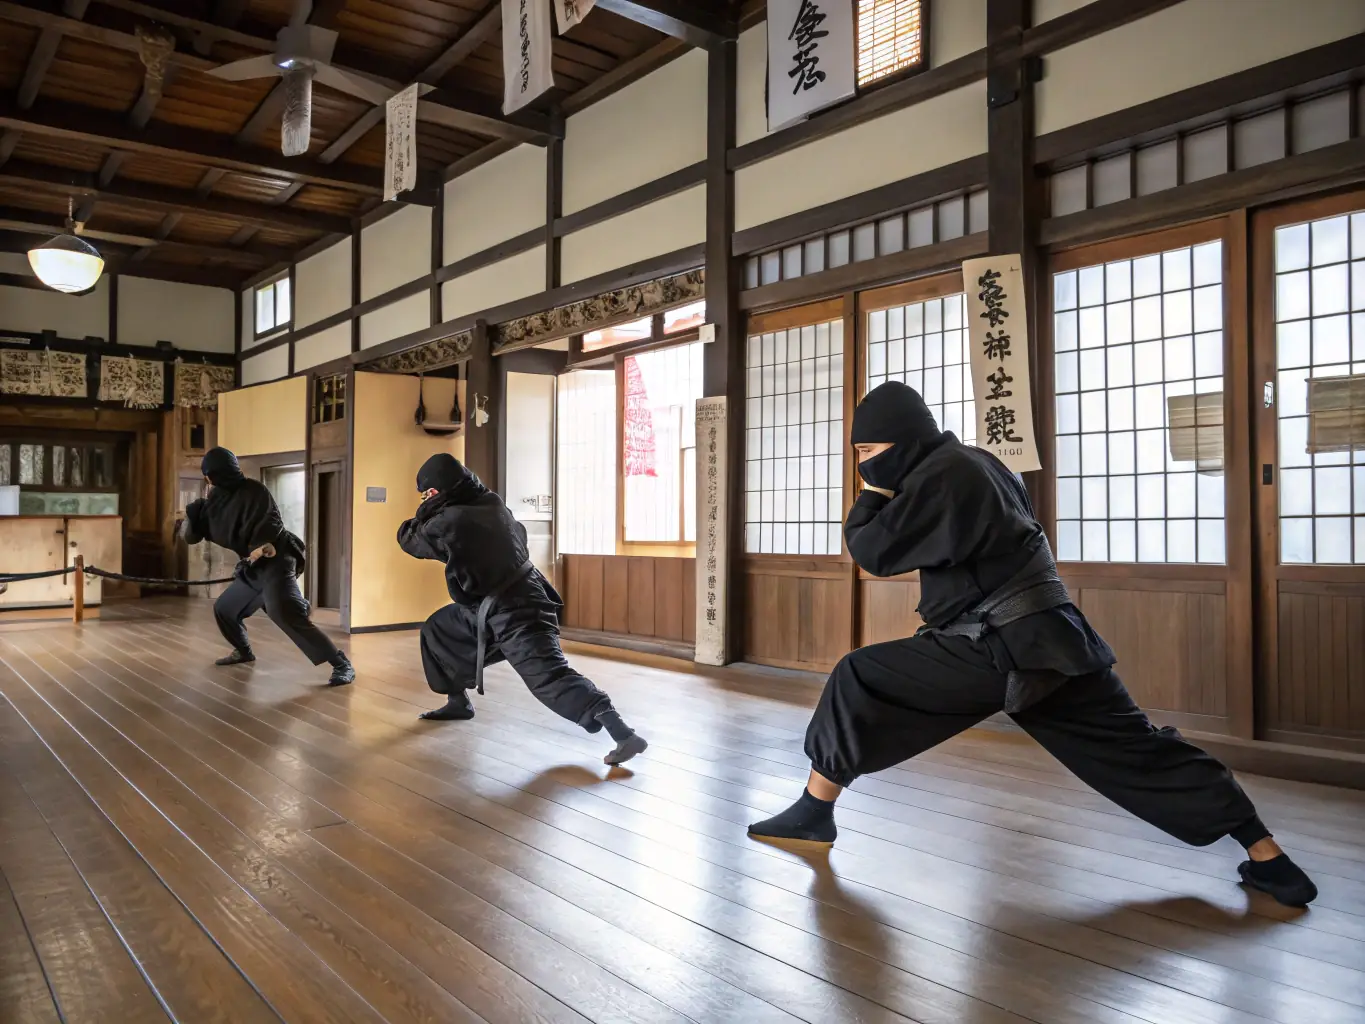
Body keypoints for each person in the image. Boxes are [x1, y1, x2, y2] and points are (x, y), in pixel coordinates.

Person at [748, 381, 1318, 909]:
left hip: (998, 650)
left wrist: (872, 493)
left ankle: (813, 812)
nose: (865, 463)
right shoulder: (978, 464)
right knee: (1136, 748)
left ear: (905, 441)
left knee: (860, 676)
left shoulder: (942, 475)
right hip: (1057, 640)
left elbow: (872, 550)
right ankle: (1268, 856)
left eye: (870, 450)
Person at [397, 452, 647, 766]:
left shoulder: (452, 520)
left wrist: (427, 508)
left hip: (518, 611)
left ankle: (624, 735)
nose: (427, 499)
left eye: (428, 494)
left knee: (550, 677)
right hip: (498, 604)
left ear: (436, 491)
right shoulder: (490, 503)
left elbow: (409, 538)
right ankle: (458, 701)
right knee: (439, 628)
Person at [181, 447, 355, 686]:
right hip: (253, 567)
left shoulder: (255, 491)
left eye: (209, 474)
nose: (208, 479)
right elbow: (192, 536)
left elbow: (270, 526)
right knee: (225, 608)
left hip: (277, 561)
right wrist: (193, 517)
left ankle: (341, 664)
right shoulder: (215, 500)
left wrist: (258, 549)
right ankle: (243, 651)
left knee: (282, 612)